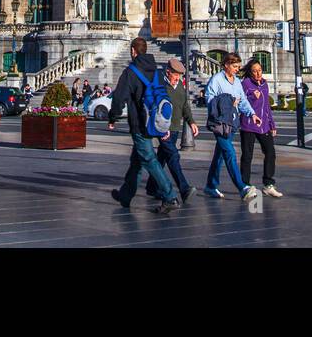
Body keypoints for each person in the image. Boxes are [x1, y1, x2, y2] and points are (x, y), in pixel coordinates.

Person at [107, 38, 182, 214]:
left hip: (139, 124)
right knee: (137, 162)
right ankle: (126, 195)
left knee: (148, 159)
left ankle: (170, 196)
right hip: (155, 121)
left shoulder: (131, 72)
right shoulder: (156, 71)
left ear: (133, 51)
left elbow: (119, 98)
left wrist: (113, 117)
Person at [203, 52, 260, 200]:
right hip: (220, 123)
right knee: (230, 153)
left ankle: (210, 185)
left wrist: (252, 114)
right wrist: (228, 101)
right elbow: (209, 99)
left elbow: (242, 100)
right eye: (234, 66)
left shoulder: (236, 81)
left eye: (238, 67)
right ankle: (242, 187)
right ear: (226, 65)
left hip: (232, 122)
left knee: (220, 156)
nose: (237, 69)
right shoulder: (216, 80)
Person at [146, 58, 198, 202]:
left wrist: (191, 121)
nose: (178, 78)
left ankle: (151, 187)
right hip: (164, 129)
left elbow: (184, 105)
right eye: (176, 75)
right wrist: (162, 129)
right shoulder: (160, 85)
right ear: (168, 72)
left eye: (180, 76)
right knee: (173, 157)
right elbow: (154, 107)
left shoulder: (179, 86)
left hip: (175, 128)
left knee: (162, 159)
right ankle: (184, 189)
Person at [239, 59, 280, 197]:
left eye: (260, 70)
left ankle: (268, 183)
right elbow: (240, 102)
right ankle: (245, 184)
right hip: (249, 124)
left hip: (263, 125)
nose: (258, 73)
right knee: (247, 155)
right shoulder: (245, 84)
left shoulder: (264, 84)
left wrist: (272, 124)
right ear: (250, 72)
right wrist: (251, 97)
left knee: (270, 152)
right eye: (254, 71)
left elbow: (266, 106)